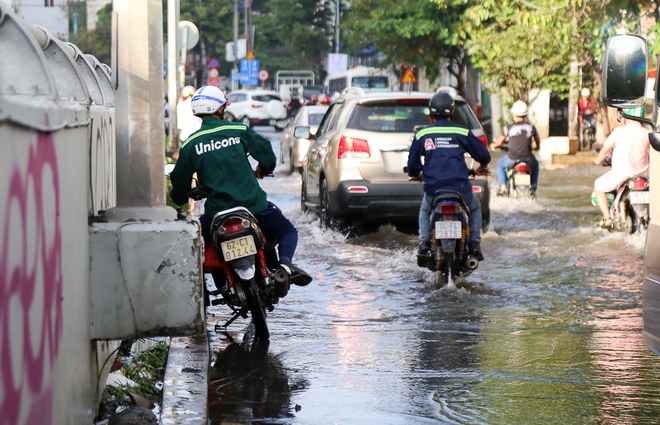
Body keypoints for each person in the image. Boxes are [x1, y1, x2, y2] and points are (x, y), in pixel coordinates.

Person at [169, 86, 312, 287]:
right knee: (288, 231)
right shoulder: (238, 130)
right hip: (254, 208)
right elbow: (268, 157)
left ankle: (200, 296)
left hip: (215, 216)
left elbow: (179, 182)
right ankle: (286, 264)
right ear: (220, 109)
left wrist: (179, 198)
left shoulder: (191, 143)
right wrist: (262, 168)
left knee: (190, 243)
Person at [407, 92, 491, 262]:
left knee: (424, 210)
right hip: (461, 189)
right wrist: (481, 167)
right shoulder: (462, 131)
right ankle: (474, 243)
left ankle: (424, 244)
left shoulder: (422, 134)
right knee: (474, 208)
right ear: (452, 114)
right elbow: (484, 156)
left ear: (431, 115)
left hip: (434, 190)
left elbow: (413, 166)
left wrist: (418, 175)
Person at [593, 106, 650, 228]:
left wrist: (598, 161)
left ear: (626, 117)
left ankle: (608, 218)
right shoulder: (647, 134)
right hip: (644, 177)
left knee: (598, 185)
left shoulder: (619, 132)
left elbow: (604, 151)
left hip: (621, 176)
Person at [490, 100, 541, 196]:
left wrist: (493, 145)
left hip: (512, 158)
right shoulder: (531, 127)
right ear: (525, 114)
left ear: (514, 114)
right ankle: (533, 190)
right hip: (528, 158)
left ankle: (503, 188)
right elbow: (537, 139)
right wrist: (537, 147)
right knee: (536, 165)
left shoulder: (508, 128)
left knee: (500, 164)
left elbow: (499, 142)